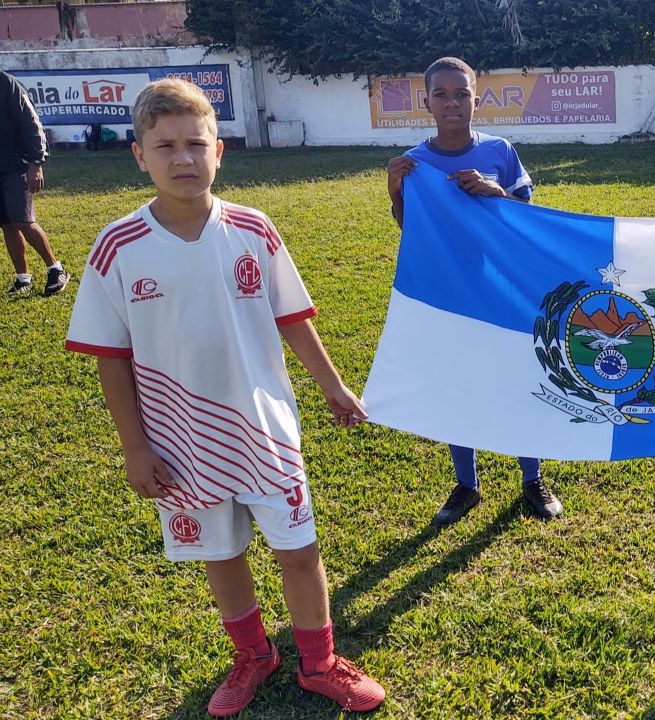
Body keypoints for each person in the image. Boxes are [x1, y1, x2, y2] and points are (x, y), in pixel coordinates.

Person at [64, 78, 385, 716]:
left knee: (299, 548)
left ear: (220, 151)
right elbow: (110, 359)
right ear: (139, 155)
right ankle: (253, 657)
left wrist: (334, 386)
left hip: (264, 426)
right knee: (221, 552)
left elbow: (293, 316)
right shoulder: (117, 247)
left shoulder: (253, 229)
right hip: (180, 439)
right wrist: (135, 448)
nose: (182, 158)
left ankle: (319, 662)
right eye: (165, 146)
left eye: (195, 143)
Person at [387, 57, 564, 527]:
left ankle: (533, 478)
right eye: (442, 94)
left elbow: (530, 222)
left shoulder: (500, 152)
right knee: (456, 387)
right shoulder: (414, 162)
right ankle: (467, 484)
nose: (452, 103)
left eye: (461, 93)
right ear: (426, 102)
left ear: (476, 99)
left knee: (521, 382)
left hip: (503, 291)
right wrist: (395, 193)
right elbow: (412, 230)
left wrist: (496, 192)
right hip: (450, 297)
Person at [1, 70, 69, 296]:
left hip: (17, 166)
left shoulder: (7, 84)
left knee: (23, 220)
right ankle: (23, 279)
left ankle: (56, 268)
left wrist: (36, 162)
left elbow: (31, 123)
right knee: (7, 224)